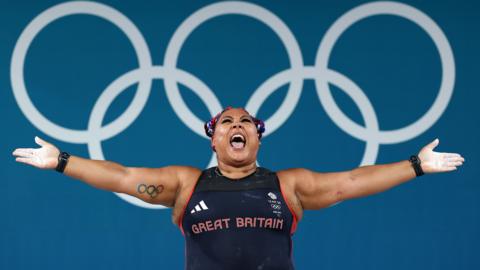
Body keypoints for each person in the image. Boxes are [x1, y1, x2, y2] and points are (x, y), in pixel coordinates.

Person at [12, 107, 465, 270]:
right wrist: (62, 161)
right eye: (227, 121)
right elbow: (121, 175)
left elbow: (352, 181)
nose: (237, 125)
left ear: (257, 137)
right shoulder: (186, 184)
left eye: (245, 121)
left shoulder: (288, 186)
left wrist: (414, 165)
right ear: (213, 139)